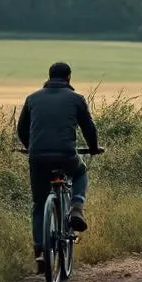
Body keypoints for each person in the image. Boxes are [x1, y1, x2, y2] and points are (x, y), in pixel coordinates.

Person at [16, 62, 102, 266]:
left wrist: (31, 147)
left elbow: (21, 130)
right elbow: (89, 128)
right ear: (69, 78)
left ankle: (40, 249)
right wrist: (93, 148)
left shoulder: (32, 99)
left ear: (49, 76)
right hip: (65, 155)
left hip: (37, 157)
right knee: (80, 172)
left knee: (39, 203)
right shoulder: (76, 99)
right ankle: (76, 208)